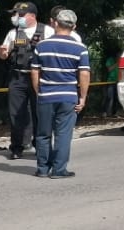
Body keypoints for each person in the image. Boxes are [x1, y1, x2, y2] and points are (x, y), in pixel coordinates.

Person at [31, 9, 90, 178]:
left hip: (46, 96)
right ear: (74, 26)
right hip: (68, 96)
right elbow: (84, 73)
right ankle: (59, 170)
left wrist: (38, 91)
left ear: (55, 23)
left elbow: (35, 71)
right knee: (63, 134)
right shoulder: (80, 48)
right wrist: (83, 97)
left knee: (43, 134)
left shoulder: (41, 45)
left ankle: (42, 169)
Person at [0, 1, 49, 160]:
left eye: (20, 15)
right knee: (16, 114)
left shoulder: (47, 31)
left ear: (32, 16)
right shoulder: (13, 33)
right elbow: (3, 54)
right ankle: (16, 147)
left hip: (39, 77)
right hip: (18, 77)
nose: (16, 18)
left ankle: (39, 146)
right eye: (16, 15)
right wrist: (2, 53)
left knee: (38, 113)